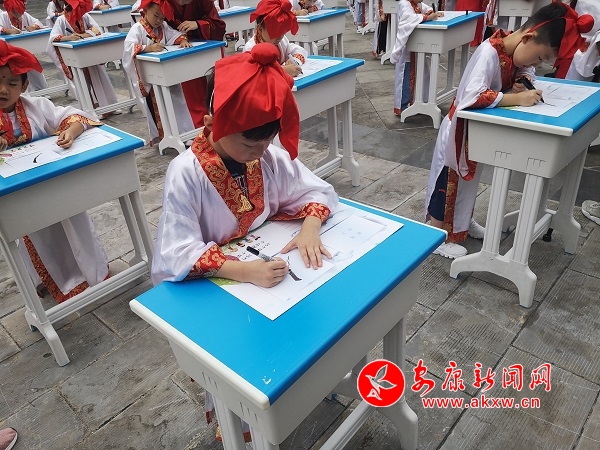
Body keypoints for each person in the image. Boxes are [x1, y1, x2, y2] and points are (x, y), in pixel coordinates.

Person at [152, 43, 337, 440]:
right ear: (211, 122)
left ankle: (293, 396)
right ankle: (239, 426)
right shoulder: (185, 172)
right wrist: (244, 271)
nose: (260, 152)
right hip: (219, 289)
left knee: (283, 346)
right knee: (237, 361)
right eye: (250, 144)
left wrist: (309, 226)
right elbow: (178, 251)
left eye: (266, 141)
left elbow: (313, 189)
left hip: (268, 276)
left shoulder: (265, 156)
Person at [425, 2, 592, 258]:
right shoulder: (488, 53)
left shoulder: (510, 49)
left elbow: (525, 68)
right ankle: (437, 234)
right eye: (540, 57)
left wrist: (523, 80)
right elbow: (472, 95)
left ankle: (462, 223)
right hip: (458, 131)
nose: (538, 63)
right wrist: (517, 98)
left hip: (477, 130)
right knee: (448, 181)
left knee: (469, 183)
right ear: (528, 37)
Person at [0, 41, 109, 303]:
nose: (3, 90)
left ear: (24, 86)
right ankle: (47, 280)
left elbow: (75, 116)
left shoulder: (35, 106)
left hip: (52, 183)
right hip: (17, 193)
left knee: (72, 224)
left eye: (12, 83)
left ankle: (89, 272)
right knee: (36, 235)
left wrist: (70, 131)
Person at [123, 0, 194, 146]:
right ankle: (165, 137)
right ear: (146, 10)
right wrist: (146, 48)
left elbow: (175, 35)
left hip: (166, 71)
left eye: (162, 18)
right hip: (150, 78)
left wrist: (182, 40)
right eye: (156, 16)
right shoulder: (137, 28)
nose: (159, 21)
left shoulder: (163, 26)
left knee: (177, 102)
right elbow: (128, 48)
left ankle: (184, 133)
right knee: (159, 107)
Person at [47, 0, 120, 117]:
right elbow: (53, 38)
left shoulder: (85, 16)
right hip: (75, 57)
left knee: (101, 79)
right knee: (83, 84)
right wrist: (68, 37)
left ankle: (109, 106)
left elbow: (97, 30)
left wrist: (82, 35)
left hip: (90, 53)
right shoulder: (61, 20)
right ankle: (91, 110)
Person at [164, 0, 225, 127]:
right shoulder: (163, 3)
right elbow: (155, 25)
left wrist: (198, 24)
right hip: (174, 51)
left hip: (202, 46)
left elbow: (219, 25)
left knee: (216, 87)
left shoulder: (204, 2)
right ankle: (190, 127)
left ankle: (218, 118)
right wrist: (177, 38)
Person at [390, 0, 443, 116]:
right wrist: (427, 17)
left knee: (421, 74)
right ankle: (403, 106)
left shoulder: (415, 3)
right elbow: (408, 19)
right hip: (408, 50)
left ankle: (419, 101)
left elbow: (424, 8)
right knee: (406, 77)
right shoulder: (404, 3)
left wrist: (432, 12)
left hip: (416, 46)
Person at [244, 0, 307, 78]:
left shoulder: (282, 42)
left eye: (283, 31)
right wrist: (283, 70)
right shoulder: (250, 48)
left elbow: (300, 50)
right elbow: (254, 73)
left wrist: (294, 60)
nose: (280, 36)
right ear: (260, 29)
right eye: (275, 32)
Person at [0, 0, 50, 92]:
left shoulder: (25, 15)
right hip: (9, 51)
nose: (18, 15)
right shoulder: (3, 16)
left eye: (20, 12)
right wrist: (8, 31)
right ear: (9, 10)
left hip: (24, 48)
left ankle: (41, 89)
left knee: (32, 63)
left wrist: (33, 27)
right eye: (15, 12)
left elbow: (37, 22)